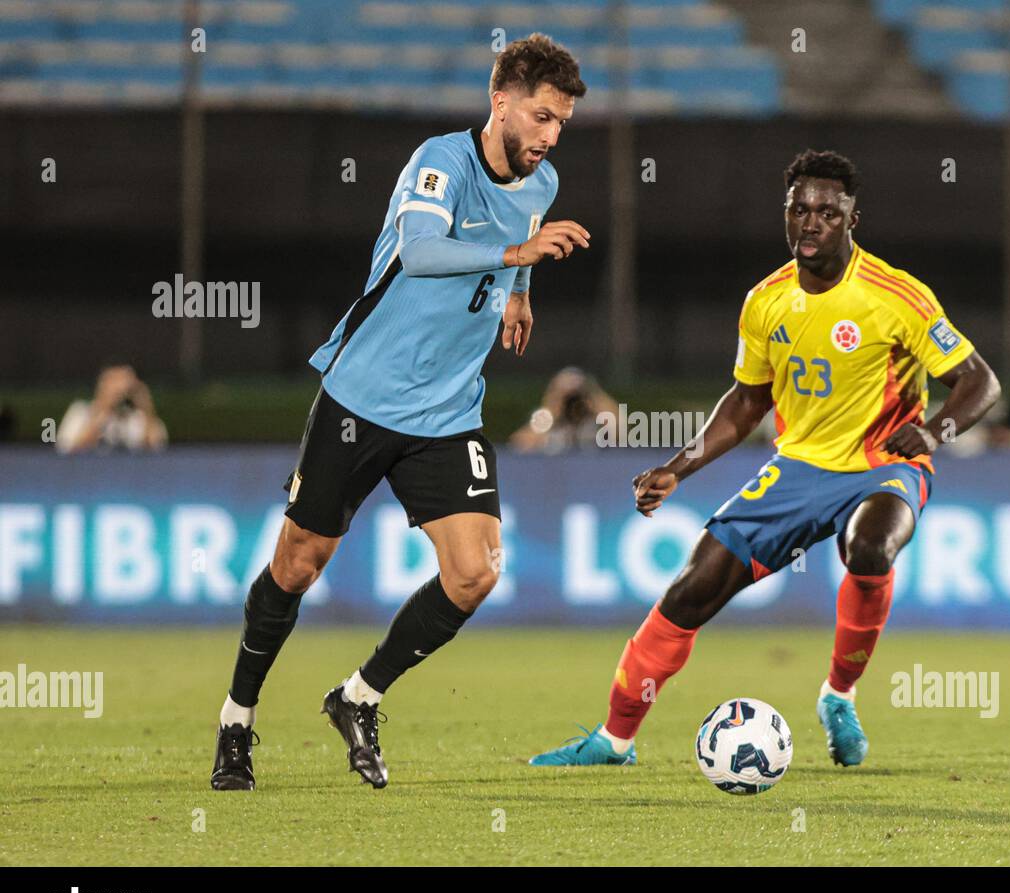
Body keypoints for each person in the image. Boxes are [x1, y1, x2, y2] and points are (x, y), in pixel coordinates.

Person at [530, 149, 1001, 769]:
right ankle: (615, 740)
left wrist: (935, 432)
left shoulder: (897, 296)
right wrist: (678, 466)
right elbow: (746, 403)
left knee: (868, 546)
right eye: (799, 210)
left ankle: (839, 694)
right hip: (797, 469)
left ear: (852, 221)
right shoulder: (766, 301)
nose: (811, 223)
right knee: (690, 590)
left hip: (884, 465)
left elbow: (980, 382)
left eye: (828, 213)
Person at [210, 33, 591, 791]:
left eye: (562, 124)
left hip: (449, 409)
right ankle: (236, 720)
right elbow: (420, 251)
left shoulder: (539, 185)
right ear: (501, 102)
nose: (550, 137)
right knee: (298, 564)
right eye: (542, 117)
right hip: (362, 398)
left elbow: (520, 244)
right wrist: (515, 261)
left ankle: (358, 696)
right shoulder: (438, 163)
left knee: (475, 573)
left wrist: (520, 295)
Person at [56, 365, 168, 454]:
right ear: (101, 385)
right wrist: (105, 407)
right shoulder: (80, 411)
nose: (121, 389)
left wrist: (146, 407)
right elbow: (69, 449)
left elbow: (156, 447)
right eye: (115, 382)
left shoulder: (137, 417)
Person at [509, 366, 618, 453]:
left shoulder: (595, 420)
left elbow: (621, 431)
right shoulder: (547, 420)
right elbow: (519, 444)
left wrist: (594, 396)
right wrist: (552, 410)